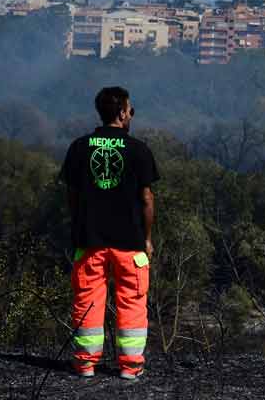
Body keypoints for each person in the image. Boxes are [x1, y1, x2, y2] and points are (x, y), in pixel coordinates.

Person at [60, 86, 160, 380]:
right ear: (121, 113)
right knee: (132, 301)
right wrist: (147, 238)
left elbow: (72, 195)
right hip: (130, 244)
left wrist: (79, 224)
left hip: (90, 241)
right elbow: (147, 199)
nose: (132, 114)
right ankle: (130, 368)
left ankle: (85, 365)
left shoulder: (79, 147)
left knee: (87, 302)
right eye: (131, 110)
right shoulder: (139, 150)